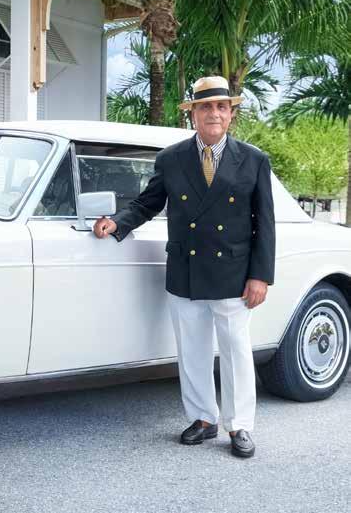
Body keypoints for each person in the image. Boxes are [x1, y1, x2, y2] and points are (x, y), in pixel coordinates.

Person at [93, 76, 275, 458]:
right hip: (186, 269)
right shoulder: (171, 158)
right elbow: (147, 203)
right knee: (192, 350)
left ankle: (239, 424)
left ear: (231, 114)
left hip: (233, 273)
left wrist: (260, 276)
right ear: (193, 114)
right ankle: (203, 419)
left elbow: (265, 223)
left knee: (236, 351)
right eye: (205, 106)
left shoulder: (254, 159)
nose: (214, 113)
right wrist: (117, 223)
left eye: (221, 107)